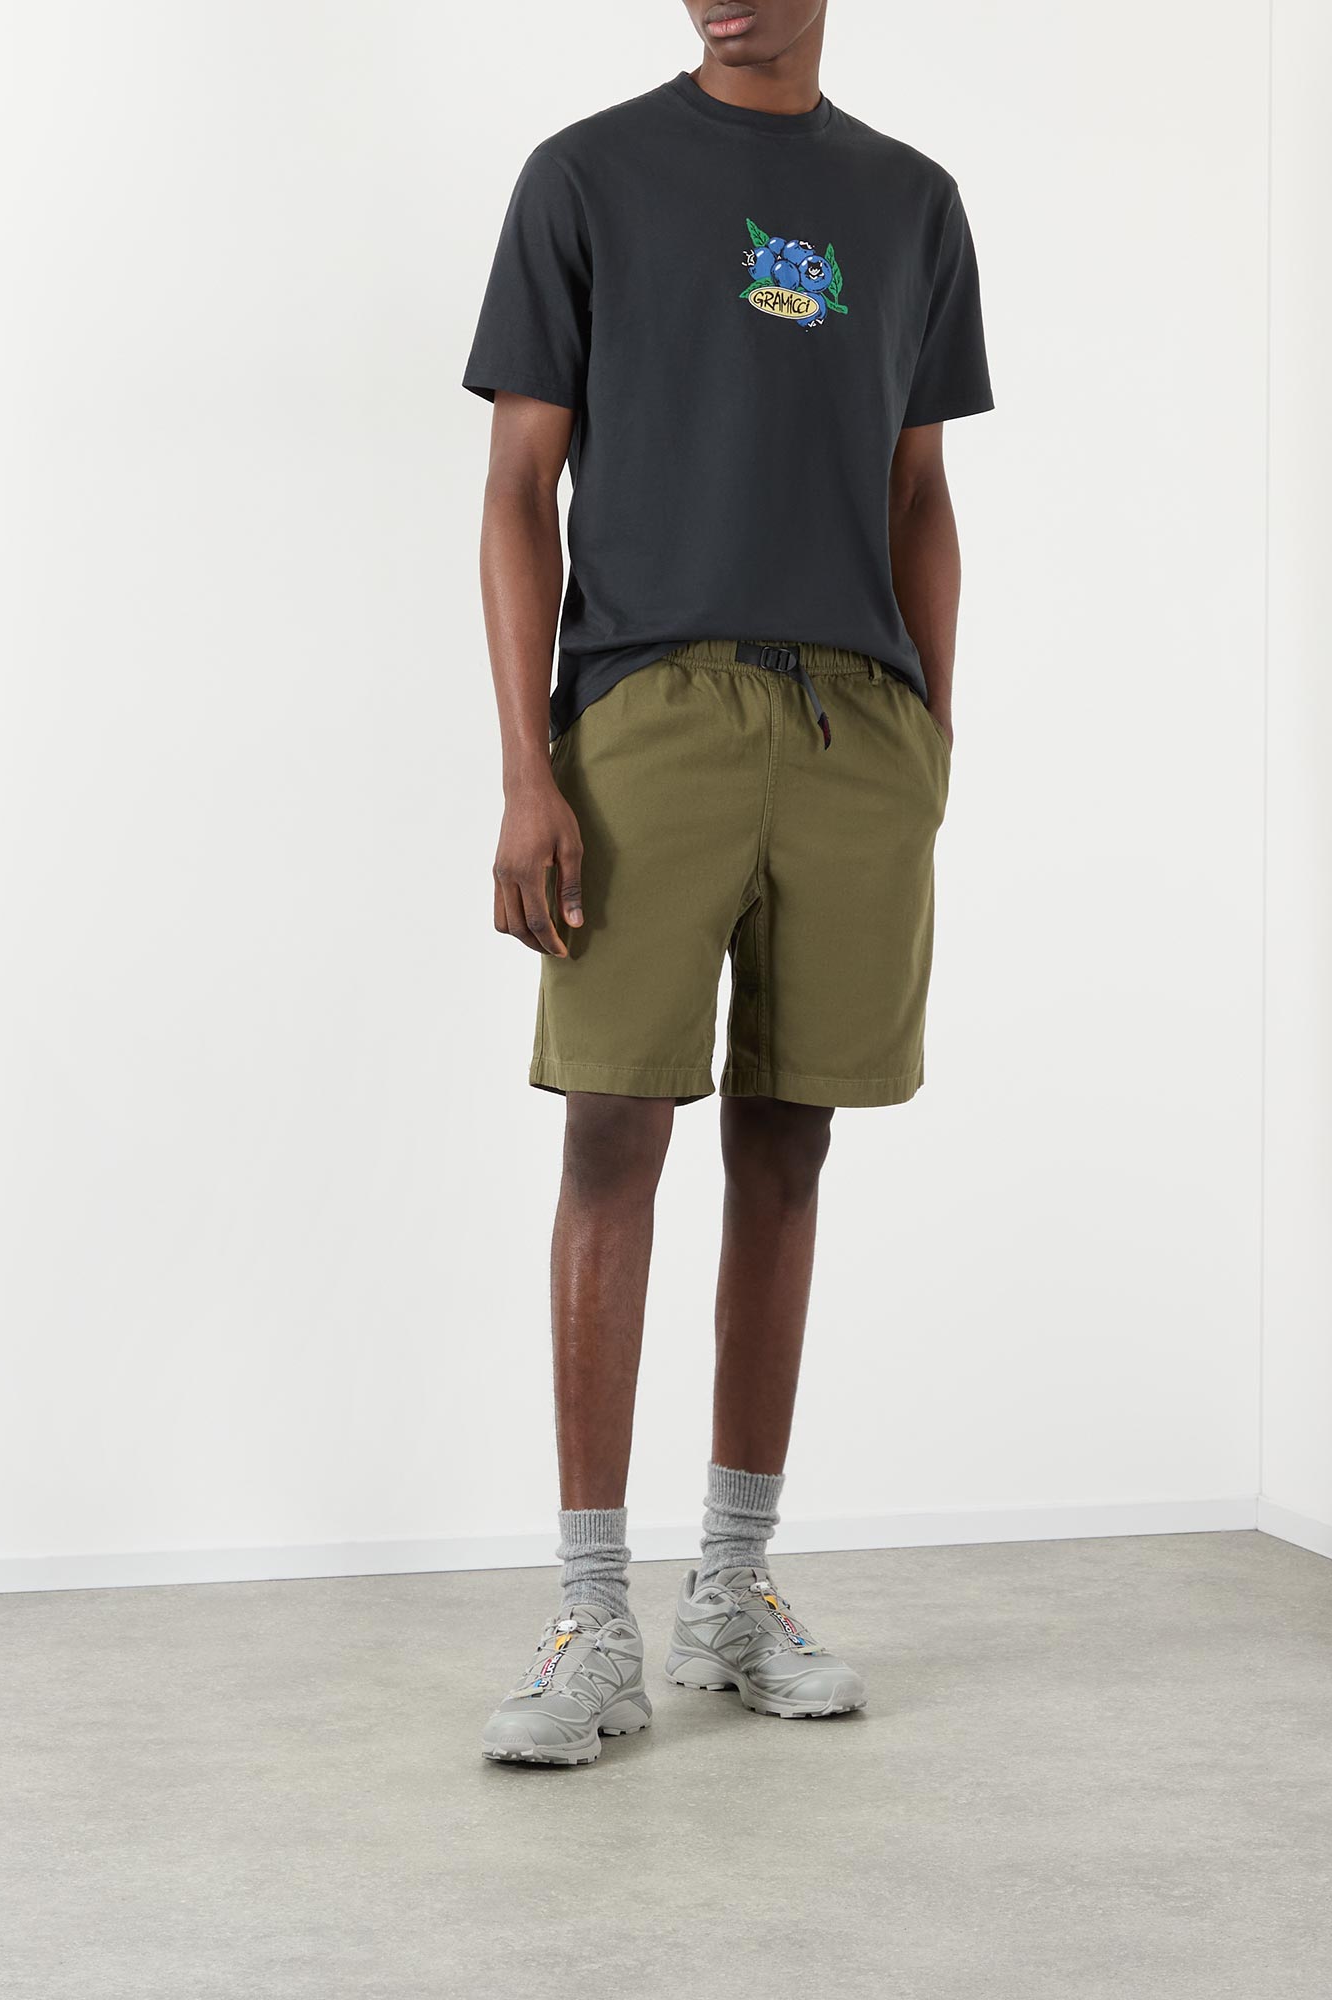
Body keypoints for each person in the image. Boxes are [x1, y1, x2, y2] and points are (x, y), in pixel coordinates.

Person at [464, 0, 991, 1766]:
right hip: (649, 711)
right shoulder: (587, 177)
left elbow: (920, 489)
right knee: (612, 1130)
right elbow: (518, 485)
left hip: (855, 727)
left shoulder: (912, 204)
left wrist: (929, 735)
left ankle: (732, 1590)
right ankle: (590, 1617)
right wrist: (529, 768)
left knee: (790, 1142)